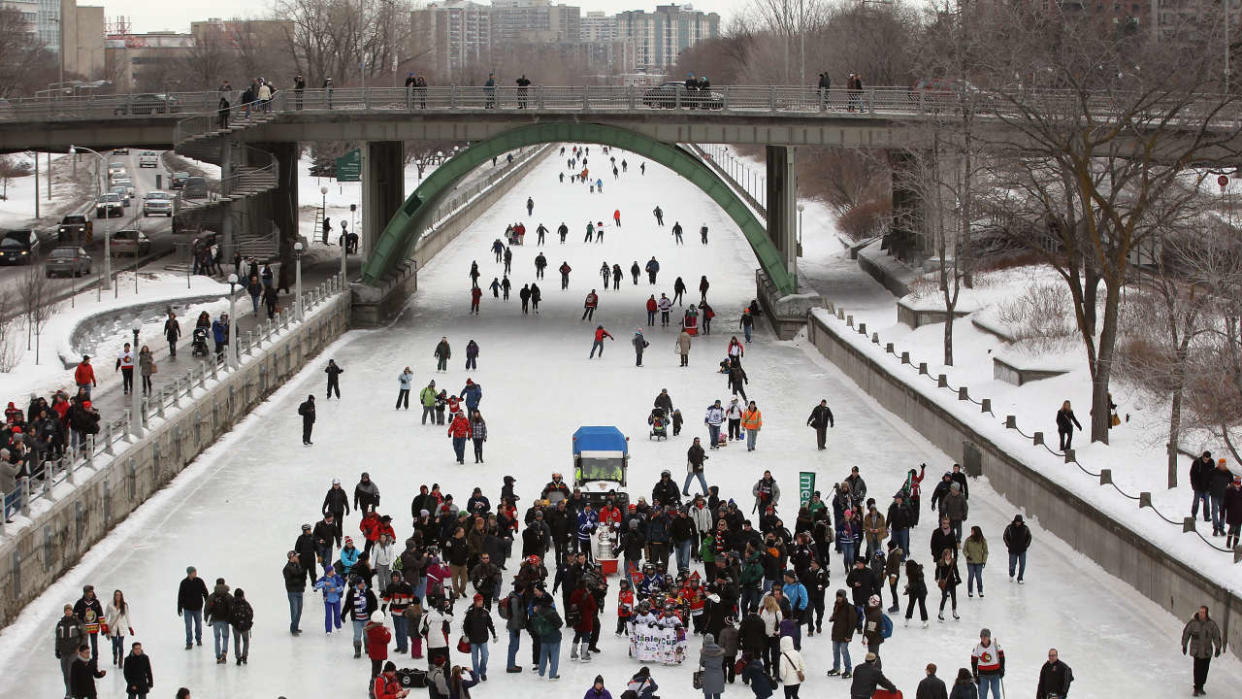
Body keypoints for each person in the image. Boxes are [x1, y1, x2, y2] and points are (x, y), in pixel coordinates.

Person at [1182, 605, 1222, 696]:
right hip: (1197, 651)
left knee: (1204, 670)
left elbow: (1216, 636)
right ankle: (1196, 687)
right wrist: (1184, 645)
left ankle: (1201, 686)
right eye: (1200, 612)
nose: (1201, 614)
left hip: (1206, 652)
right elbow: (1186, 633)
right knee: (1197, 670)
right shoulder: (1193, 623)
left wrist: (1218, 648)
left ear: (1207, 613)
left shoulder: (1211, 624)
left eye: (1203, 612)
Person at [56, 604, 87, 696]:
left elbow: (84, 635)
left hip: (74, 652)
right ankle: (69, 691)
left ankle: (70, 693)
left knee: (71, 674)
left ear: (72, 611)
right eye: (66, 610)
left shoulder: (77, 622)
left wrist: (81, 648)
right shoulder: (60, 623)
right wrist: (57, 649)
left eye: (69, 610)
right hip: (64, 653)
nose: (68, 612)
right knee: (65, 675)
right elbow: (58, 638)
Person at [177, 566, 209, 650]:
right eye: (194, 572)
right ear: (189, 573)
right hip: (187, 609)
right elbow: (180, 596)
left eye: (195, 571)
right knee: (188, 626)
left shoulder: (199, 581)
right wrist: (179, 608)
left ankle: (198, 639)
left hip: (198, 608)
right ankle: (189, 642)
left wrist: (208, 603)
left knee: (198, 625)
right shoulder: (184, 583)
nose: (195, 573)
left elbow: (205, 593)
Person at [530, 598, 562, 679]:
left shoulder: (538, 611)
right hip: (554, 637)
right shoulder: (552, 612)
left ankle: (541, 672)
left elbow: (534, 623)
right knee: (554, 655)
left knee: (543, 655)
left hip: (543, 637)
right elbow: (559, 623)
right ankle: (552, 675)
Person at [204, 577, 233, 664]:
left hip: (215, 620)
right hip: (225, 620)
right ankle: (224, 653)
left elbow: (207, 608)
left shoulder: (212, 596)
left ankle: (218, 656)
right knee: (225, 637)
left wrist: (207, 620)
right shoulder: (228, 596)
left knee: (217, 638)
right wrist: (231, 619)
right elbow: (232, 608)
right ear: (224, 584)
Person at [970, 628, 1004, 699]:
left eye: (985, 636)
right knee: (982, 695)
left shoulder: (995, 645)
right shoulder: (977, 647)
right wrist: (975, 674)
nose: (983, 638)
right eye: (981, 636)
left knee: (996, 694)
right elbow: (974, 661)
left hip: (995, 674)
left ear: (989, 637)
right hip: (983, 675)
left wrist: (1002, 669)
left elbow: (1001, 657)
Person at [104, 589, 133, 667]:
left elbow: (127, 617)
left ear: (121, 596)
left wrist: (130, 627)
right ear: (114, 596)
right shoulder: (110, 605)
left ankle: (121, 660)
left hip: (121, 627)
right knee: (114, 645)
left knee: (120, 645)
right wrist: (105, 626)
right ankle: (115, 655)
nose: (117, 596)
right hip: (112, 627)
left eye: (119, 595)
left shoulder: (124, 605)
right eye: (116, 595)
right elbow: (106, 616)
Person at [1001, 515, 1031, 583]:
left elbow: (1029, 537)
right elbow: (1005, 536)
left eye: (1019, 522)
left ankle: (1020, 578)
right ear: (1015, 521)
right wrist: (1009, 545)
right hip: (1012, 550)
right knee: (1012, 564)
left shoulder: (1025, 528)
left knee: (1022, 564)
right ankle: (1011, 574)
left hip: (1022, 550)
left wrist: (1026, 545)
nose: (1018, 523)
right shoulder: (1009, 528)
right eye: (1017, 522)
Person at [230, 588, 254, 665]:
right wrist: (248, 622)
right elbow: (251, 613)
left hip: (236, 626)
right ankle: (244, 656)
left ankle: (238, 657)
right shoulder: (246, 604)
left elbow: (230, 614)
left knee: (237, 641)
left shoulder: (233, 604)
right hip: (245, 626)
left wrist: (233, 622)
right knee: (246, 641)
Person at [935, 548, 960, 621]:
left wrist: (958, 578)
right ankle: (941, 613)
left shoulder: (953, 562)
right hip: (944, 582)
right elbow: (937, 570)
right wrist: (937, 578)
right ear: (944, 555)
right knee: (944, 597)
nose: (948, 556)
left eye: (949, 555)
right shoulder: (940, 562)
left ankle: (954, 612)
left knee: (954, 597)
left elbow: (956, 570)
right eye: (946, 555)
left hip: (952, 582)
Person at [699, 633, 726, 699]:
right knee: (717, 695)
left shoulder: (704, 651)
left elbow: (701, 663)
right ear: (713, 640)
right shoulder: (719, 650)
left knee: (708, 695)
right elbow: (721, 661)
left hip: (708, 675)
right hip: (719, 675)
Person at [962, 526, 987, 598]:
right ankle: (970, 591)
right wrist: (967, 555)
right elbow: (964, 550)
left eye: (972, 531)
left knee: (978, 577)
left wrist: (984, 561)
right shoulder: (968, 540)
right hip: (970, 562)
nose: (971, 532)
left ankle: (980, 590)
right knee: (971, 576)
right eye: (971, 531)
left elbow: (985, 551)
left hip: (979, 562)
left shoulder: (982, 540)